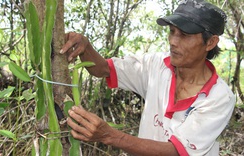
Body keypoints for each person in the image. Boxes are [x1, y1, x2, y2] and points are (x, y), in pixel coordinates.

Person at [61, 0, 235, 155]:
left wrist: (109, 135)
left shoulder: (219, 97)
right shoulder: (156, 66)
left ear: (211, 42)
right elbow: (104, 69)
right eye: (172, 31)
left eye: (184, 35)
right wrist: (85, 46)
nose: (173, 41)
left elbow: (175, 151)